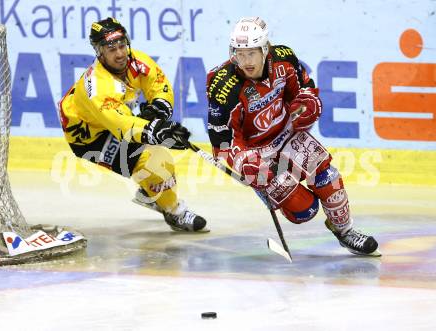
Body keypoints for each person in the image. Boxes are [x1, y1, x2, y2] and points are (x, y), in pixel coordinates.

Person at [206, 17, 380, 256]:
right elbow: (222, 141)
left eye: (251, 53)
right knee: (305, 211)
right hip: (256, 152)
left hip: (287, 135)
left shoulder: (284, 58)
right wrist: (243, 161)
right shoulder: (224, 86)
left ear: (265, 49)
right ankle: (267, 188)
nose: (245, 61)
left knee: (327, 177)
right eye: (239, 53)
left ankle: (346, 231)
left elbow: (304, 88)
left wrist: (307, 103)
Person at [58, 17, 207, 232]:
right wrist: (155, 131)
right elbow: (122, 125)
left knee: (154, 156)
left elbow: (159, 85)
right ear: (99, 52)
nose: (120, 54)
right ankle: (173, 211)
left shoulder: (136, 61)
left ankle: (150, 192)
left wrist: (159, 110)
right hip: (90, 137)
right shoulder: (98, 87)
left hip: (115, 119)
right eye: (111, 49)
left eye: (122, 45)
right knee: (158, 162)